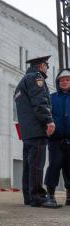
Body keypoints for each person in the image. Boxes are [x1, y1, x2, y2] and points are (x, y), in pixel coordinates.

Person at [14, 55, 55, 207]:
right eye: (47, 65)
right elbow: (40, 102)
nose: (47, 68)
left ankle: (29, 197)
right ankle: (38, 197)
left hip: (27, 131)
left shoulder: (21, 83)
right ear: (41, 65)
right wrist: (49, 120)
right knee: (37, 164)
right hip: (37, 129)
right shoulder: (36, 78)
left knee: (29, 165)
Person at [44, 68, 70, 206]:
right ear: (58, 82)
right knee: (54, 166)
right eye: (62, 80)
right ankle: (50, 195)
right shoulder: (51, 98)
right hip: (56, 140)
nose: (64, 82)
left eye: (67, 79)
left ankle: (69, 198)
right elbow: (45, 116)